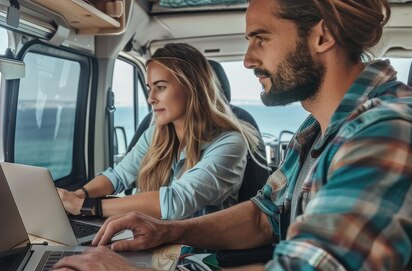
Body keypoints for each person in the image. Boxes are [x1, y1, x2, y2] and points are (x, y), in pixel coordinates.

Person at [45, 0, 412, 271]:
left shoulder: (389, 132)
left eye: (261, 39)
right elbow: (263, 215)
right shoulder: (318, 129)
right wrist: (169, 232)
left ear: (322, 35)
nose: (249, 59)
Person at [58, 43, 263, 220]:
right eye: (149, 88)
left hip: (199, 256)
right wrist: (79, 195)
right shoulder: (156, 134)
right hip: (152, 241)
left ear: (191, 87)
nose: (151, 98)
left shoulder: (231, 143)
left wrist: (86, 207)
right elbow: (118, 177)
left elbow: (176, 201)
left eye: (161, 87)